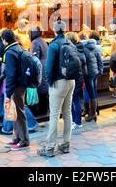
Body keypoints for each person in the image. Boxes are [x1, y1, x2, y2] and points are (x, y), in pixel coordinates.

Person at [38, 20, 76, 157]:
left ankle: (49, 148)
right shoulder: (70, 43)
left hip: (58, 83)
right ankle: (65, 144)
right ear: (65, 30)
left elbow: (48, 68)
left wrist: (49, 82)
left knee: (54, 115)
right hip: (71, 81)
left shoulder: (54, 45)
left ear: (54, 30)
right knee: (67, 114)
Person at [1, 29, 30, 151]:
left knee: (18, 113)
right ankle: (16, 138)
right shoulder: (18, 48)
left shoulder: (10, 52)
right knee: (15, 113)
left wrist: (8, 93)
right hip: (21, 84)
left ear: (5, 40)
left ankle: (23, 140)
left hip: (16, 87)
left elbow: (11, 74)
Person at [80, 32, 103, 122]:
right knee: (93, 91)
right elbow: (99, 60)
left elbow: (83, 62)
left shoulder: (84, 49)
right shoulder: (95, 48)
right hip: (95, 72)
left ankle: (92, 113)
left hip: (88, 74)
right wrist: (100, 71)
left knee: (90, 92)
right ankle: (94, 111)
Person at [65, 32, 86, 129]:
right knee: (75, 100)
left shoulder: (73, 50)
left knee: (74, 100)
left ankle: (76, 121)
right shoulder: (80, 48)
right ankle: (77, 121)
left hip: (75, 77)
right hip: (80, 76)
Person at [29, 26, 49, 114]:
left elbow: (34, 58)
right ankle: (44, 109)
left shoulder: (35, 42)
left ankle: (41, 110)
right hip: (45, 67)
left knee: (40, 89)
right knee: (44, 89)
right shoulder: (42, 40)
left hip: (40, 68)